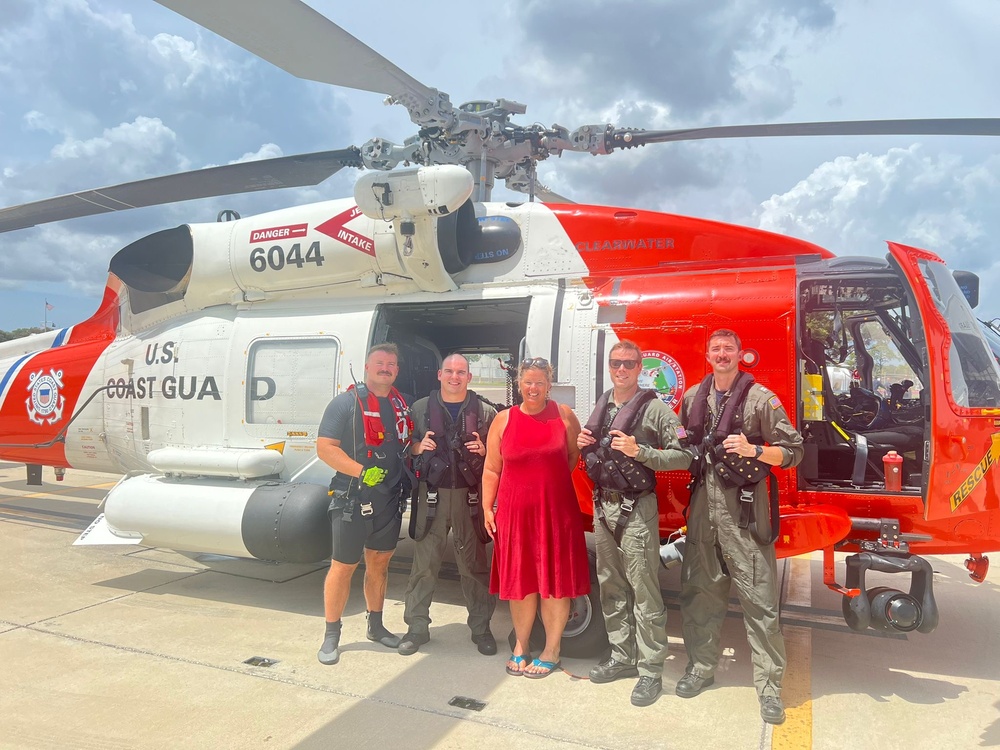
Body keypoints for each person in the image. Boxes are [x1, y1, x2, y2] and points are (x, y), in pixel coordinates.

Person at [676, 329, 804, 724]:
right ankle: (700, 667)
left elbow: (794, 450)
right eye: (715, 349)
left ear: (738, 354)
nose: (722, 354)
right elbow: (679, 439)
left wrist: (756, 450)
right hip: (702, 513)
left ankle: (768, 689)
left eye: (728, 348)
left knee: (761, 604)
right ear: (707, 355)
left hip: (745, 514)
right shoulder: (692, 398)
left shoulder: (760, 399)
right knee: (700, 594)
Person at [577, 339, 692, 707]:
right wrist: (583, 442)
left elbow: (684, 456)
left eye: (628, 363)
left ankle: (651, 670)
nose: (621, 369)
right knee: (610, 585)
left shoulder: (656, 410)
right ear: (609, 366)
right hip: (602, 506)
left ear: (640, 368)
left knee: (644, 590)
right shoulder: (604, 403)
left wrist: (640, 452)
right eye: (615, 363)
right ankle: (622, 656)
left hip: (636, 510)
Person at [482, 357, 589, 678]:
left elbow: (573, 455)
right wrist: (488, 506)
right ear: (519, 384)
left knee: (556, 584)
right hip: (515, 514)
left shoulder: (565, 415)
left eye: (539, 382)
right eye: (527, 382)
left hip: (557, 512)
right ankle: (521, 645)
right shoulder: (503, 420)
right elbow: (491, 467)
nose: (533, 388)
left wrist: (549, 482)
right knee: (521, 582)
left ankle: (552, 649)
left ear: (549, 385)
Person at [315, 343, 412, 665]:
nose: (386, 368)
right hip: (352, 497)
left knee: (380, 564)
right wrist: (361, 472)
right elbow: (325, 447)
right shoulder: (345, 404)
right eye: (380, 363)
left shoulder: (402, 407)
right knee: (343, 567)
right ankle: (332, 634)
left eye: (392, 364)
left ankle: (376, 625)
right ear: (367, 367)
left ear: (397, 370)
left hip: (388, 500)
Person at [398, 353, 498, 656]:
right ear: (440, 375)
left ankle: (481, 629)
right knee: (424, 566)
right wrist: (417, 446)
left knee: (474, 567)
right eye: (450, 371)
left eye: (462, 372)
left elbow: (500, 456)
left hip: (469, 498)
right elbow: (403, 447)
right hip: (432, 497)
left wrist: (485, 449)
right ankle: (416, 628)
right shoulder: (418, 409)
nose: (455, 377)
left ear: (469, 377)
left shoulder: (486, 412)